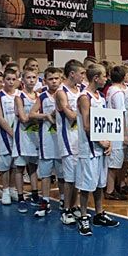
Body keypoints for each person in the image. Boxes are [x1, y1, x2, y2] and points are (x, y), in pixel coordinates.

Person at [75, 64, 119, 236]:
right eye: (104, 76)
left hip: (101, 148)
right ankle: (83, 216)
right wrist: (101, 142)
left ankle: (99, 214)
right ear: (96, 78)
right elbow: (87, 125)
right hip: (89, 149)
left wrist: (110, 142)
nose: (106, 79)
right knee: (86, 186)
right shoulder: (84, 97)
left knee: (100, 183)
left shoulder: (100, 96)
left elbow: (105, 123)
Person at [30, 67, 63, 217]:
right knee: (45, 174)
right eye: (50, 79)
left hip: (62, 141)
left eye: (56, 78)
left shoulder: (65, 95)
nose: (54, 81)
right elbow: (31, 114)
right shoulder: (43, 97)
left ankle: (63, 199)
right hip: (47, 141)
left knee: (62, 175)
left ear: (61, 79)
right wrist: (46, 116)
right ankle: (45, 201)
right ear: (45, 81)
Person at [55, 60, 85, 223]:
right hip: (67, 139)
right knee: (69, 179)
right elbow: (71, 116)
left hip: (79, 138)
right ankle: (66, 210)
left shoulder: (80, 90)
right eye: (81, 73)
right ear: (72, 74)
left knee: (78, 177)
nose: (83, 76)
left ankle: (74, 206)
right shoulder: (61, 92)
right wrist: (84, 112)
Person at [13, 69, 41, 214]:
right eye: (28, 77)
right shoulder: (19, 97)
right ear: (22, 80)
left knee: (33, 167)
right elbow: (23, 118)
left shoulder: (39, 96)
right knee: (20, 167)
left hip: (35, 136)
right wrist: (40, 116)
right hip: (22, 137)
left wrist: (37, 116)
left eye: (34, 77)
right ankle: (20, 197)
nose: (31, 80)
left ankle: (35, 194)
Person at [0, 68, 19, 206]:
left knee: (15, 164)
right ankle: (5, 191)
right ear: (3, 80)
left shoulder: (19, 94)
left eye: (13, 79)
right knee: (5, 164)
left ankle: (13, 188)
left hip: (19, 133)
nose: (11, 82)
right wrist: (12, 132)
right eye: (8, 79)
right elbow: (0, 117)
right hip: (4, 133)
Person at [104, 66, 128, 201]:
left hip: (111, 127)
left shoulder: (110, 90)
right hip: (116, 129)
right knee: (114, 163)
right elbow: (121, 114)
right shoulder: (118, 93)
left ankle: (112, 187)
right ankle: (110, 190)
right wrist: (125, 133)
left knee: (114, 162)